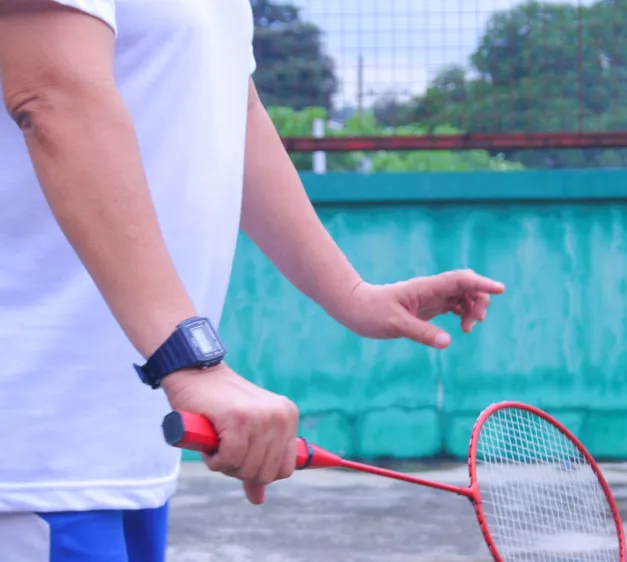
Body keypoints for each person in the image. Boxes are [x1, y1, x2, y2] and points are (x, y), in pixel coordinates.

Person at [0, 1, 505, 560]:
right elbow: (53, 99)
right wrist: (186, 358)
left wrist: (352, 295)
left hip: (117, 443)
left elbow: (229, 105)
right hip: (31, 439)